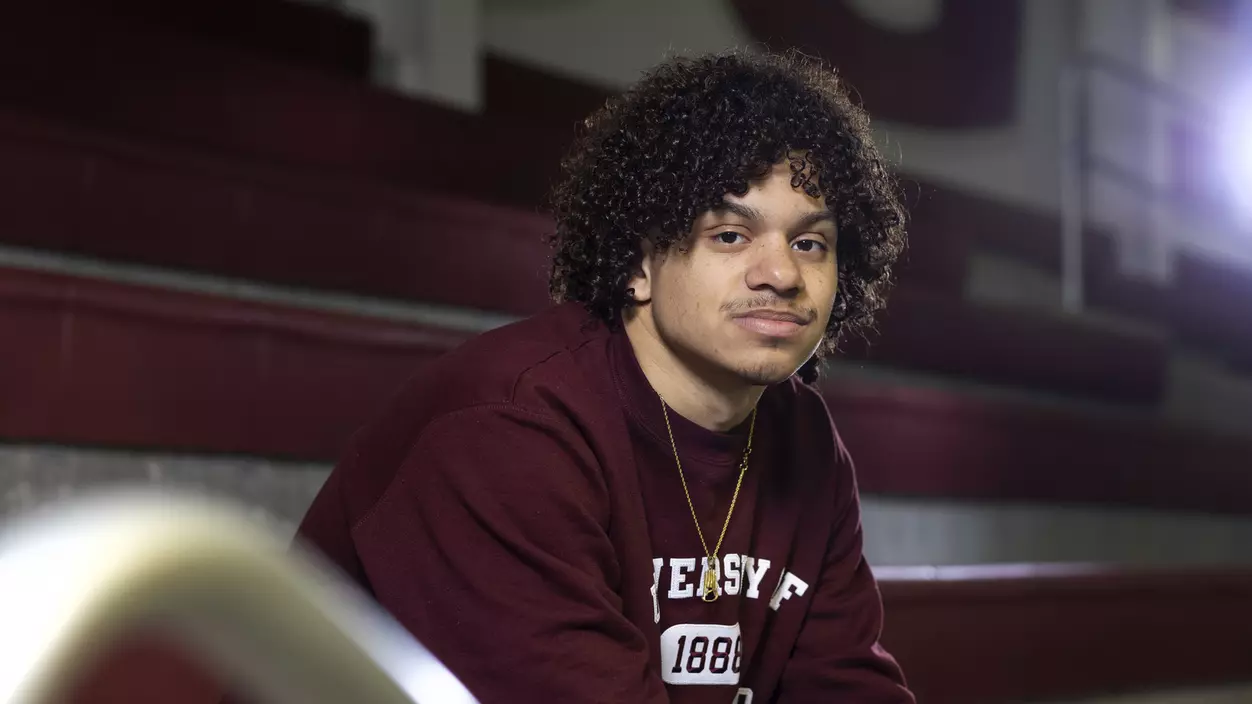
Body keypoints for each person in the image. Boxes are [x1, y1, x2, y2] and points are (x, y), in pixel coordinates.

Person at [296, 49, 912, 703]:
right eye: (730, 235)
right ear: (637, 266)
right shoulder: (510, 429)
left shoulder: (804, 438)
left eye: (810, 243)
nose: (782, 274)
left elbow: (846, 687)